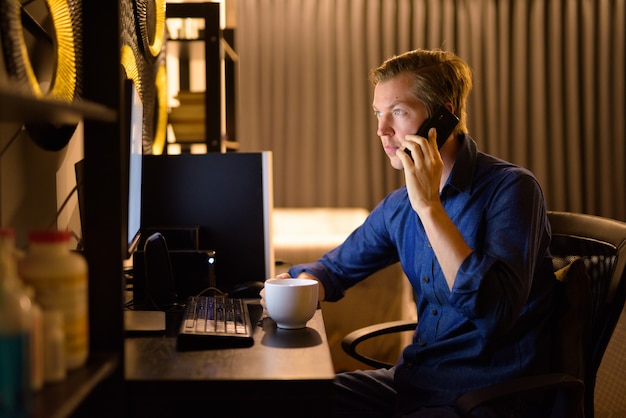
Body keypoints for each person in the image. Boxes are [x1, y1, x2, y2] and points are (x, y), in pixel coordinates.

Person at [261, 49, 556, 417]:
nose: (381, 130)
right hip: (414, 383)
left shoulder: (511, 190)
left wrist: (430, 207)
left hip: (485, 396)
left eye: (397, 112)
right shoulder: (400, 205)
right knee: (287, 399)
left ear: (443, 116)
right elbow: (335, 268)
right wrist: (295, 287)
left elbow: (494, 312)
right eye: (378, 114)